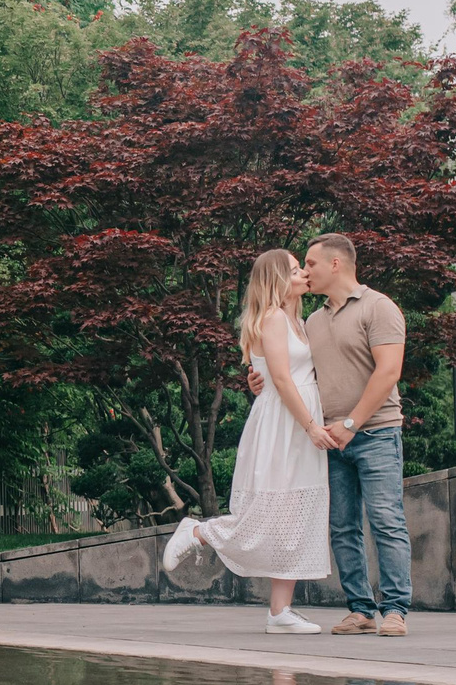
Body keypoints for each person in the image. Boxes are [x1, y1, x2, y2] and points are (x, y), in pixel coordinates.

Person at [161, 248, 331, 633]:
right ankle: (199, 532)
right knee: (267, 515)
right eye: (294, 269)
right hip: (285, 426)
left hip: (298, 423)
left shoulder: (298, 321)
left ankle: (280, 612)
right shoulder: (273, 319)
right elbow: (283, 381)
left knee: (293, 518)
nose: (303, 272)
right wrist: (310, 426)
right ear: (276, 281)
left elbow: (274, 376)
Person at [299, 233, 413, 637]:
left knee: (386, 520)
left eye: (310, 263)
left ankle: (395, 609)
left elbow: (389, 372)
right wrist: (261, 380)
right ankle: (361, 610)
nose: (304, 270)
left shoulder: (378, 307)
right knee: (343, 527)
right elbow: (298, 373)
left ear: (335, 264)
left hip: (377, 433)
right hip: (330, 440)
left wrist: (351, 424)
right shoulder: (312, 320)